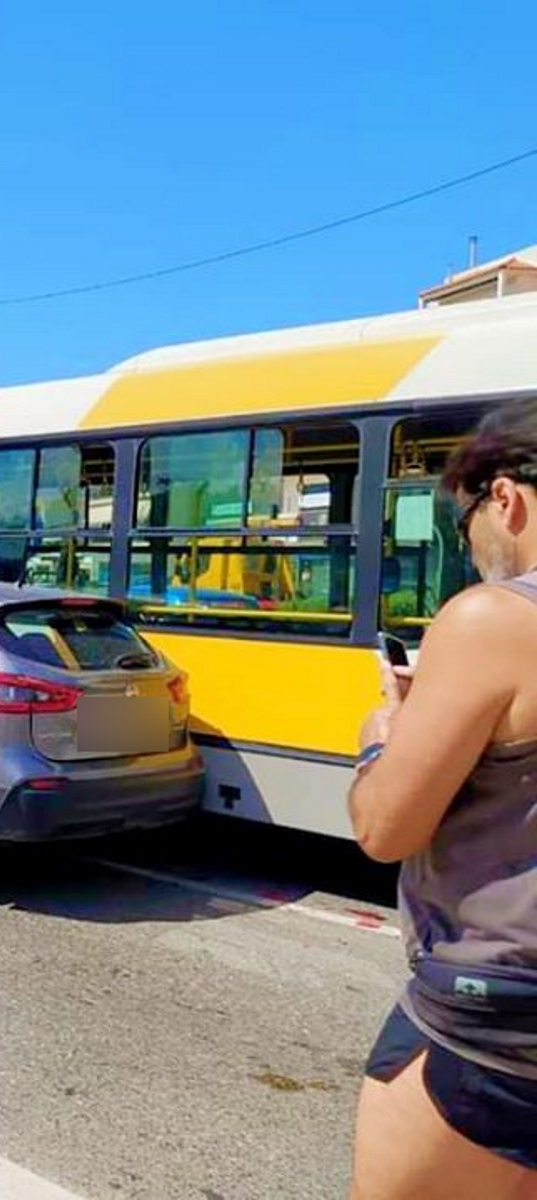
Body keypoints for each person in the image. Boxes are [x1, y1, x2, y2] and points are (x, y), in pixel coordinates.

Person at [347, 400, 537, 1199]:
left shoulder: (496, 618)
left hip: (498, 1033)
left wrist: (385, 731)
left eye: (463, 527)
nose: (474, 554)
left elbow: (387, 827)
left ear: (505, 499)